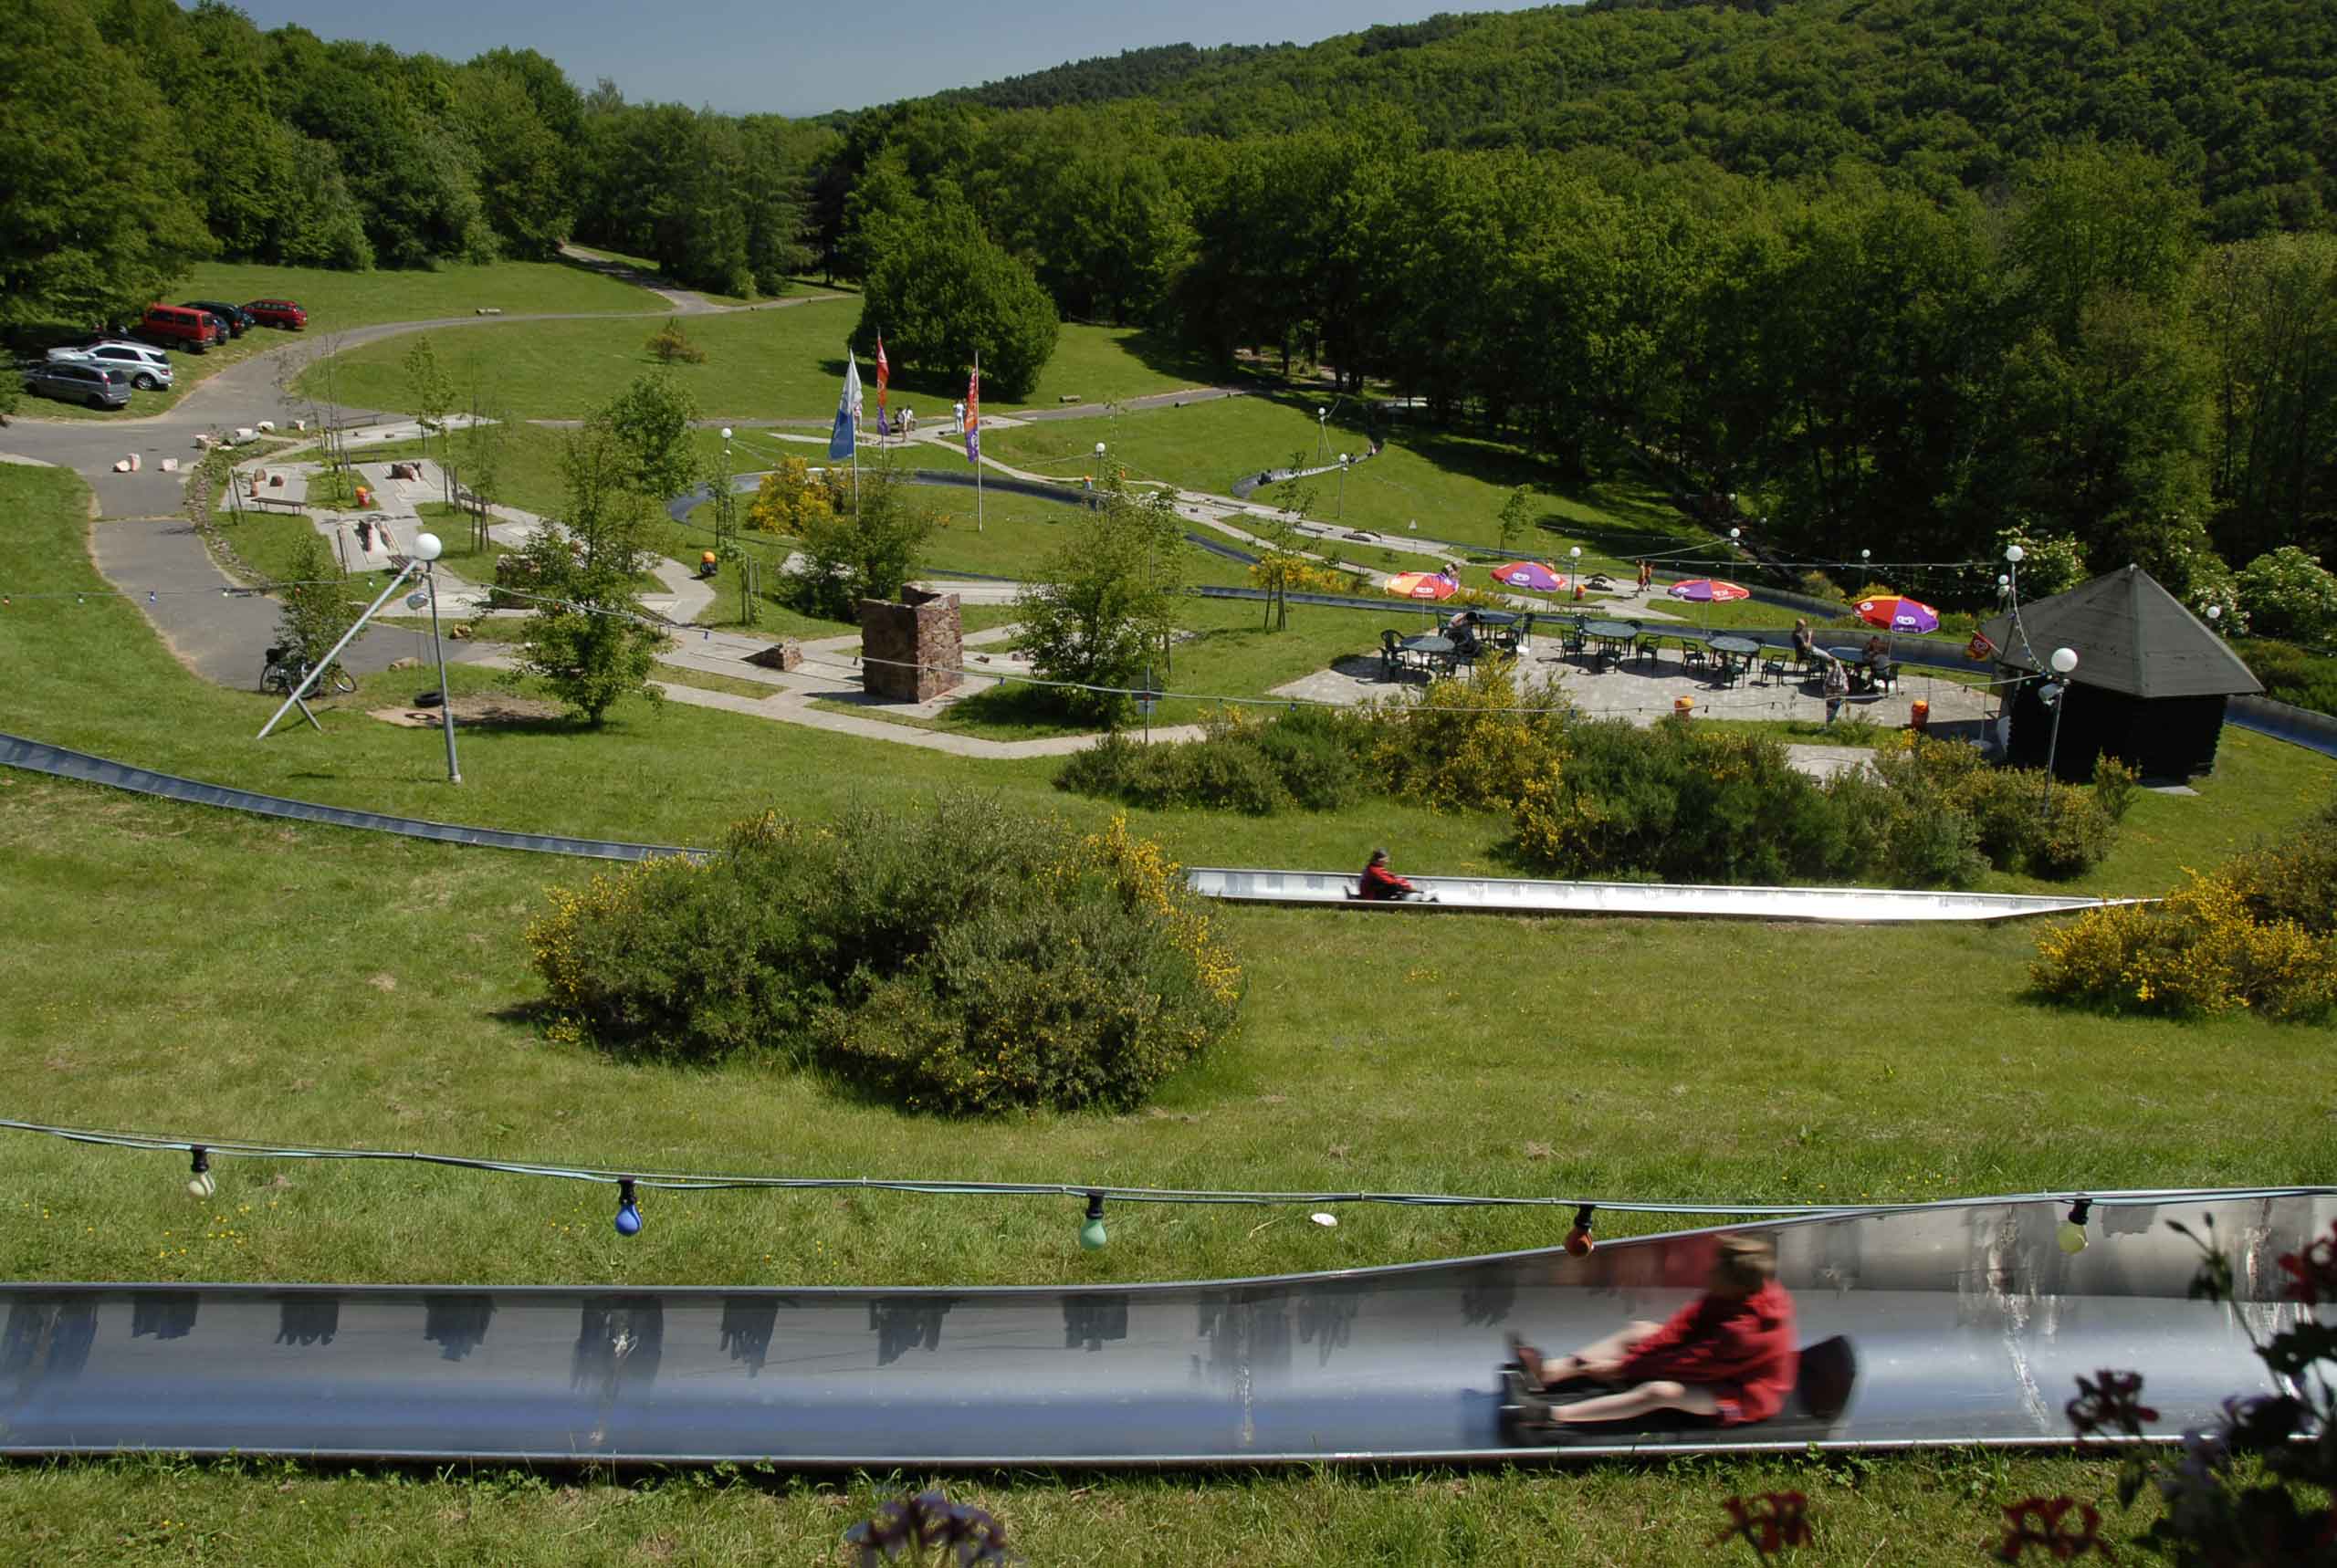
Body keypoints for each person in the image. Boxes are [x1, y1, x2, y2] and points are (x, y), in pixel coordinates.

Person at [1506, 1232, 1798, 1433]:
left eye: (1716, 1272)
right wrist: (1627, 1362)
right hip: (1719, 1364)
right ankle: (1547, 1373)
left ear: (1736, 1284)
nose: (1709, 1274)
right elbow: (1683, 1327)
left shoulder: (1747, 1331)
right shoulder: (1734, 1291)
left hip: (1742, 1394)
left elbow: (1691, 1365)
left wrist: (1624, 1368)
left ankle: (1552, 1416)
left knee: (1660, 1392)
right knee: (1640, 1330)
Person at [1357, 848, 1435, 903]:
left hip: (1368, 893)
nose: (1386, 862)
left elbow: (1388, 877)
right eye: (1385, 860)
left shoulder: (1372, 867)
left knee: (1397, 882)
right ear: (1380, 860)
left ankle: (1411, 894)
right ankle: (1420, 895)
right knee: (1395, 886)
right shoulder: (1375, 871)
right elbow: (1392, 883)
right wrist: (1412, 890)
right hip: (1370, 897)